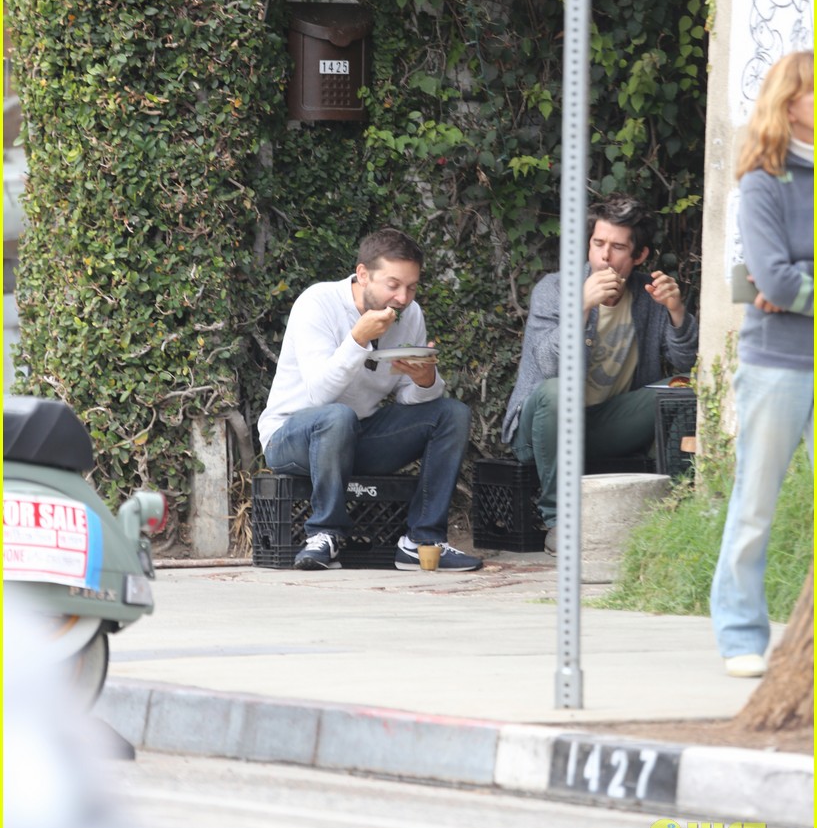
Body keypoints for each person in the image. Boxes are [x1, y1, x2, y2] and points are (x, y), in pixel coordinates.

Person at [258, 228, 482, 572]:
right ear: (363, 275)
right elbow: (319, 395)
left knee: (451, 413)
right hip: (292, 437)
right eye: (393, 285)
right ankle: (324, 535)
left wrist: (425, 380)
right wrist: (357, 339)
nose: (403, 298)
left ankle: (421, 540)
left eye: (411, 287)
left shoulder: (411, 315)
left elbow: (408, 398)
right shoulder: (317, 303)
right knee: (336, 416)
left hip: (359, 435)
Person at [502, 194, 699, 553]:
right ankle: (559, 521)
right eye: (598, 243)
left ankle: (678, 511)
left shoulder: (646, 295)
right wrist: (582, 306)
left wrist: (676, 312)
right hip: (540, 429)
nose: (604, 256)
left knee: (682, 390)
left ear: (639, 256)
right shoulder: (556, 289)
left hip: (605, 424)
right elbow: (548, 367)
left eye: (618, 247)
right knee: (559, 392)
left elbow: (686, 363)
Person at [711, 51, 813, 678]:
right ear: (791, 102)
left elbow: (782, 282)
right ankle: (741, 634)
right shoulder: (762, 181)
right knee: (755, 503)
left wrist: (795, 288)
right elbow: (769, 275)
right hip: (777, 364)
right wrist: (785, 282)